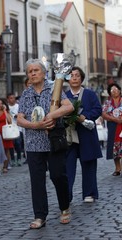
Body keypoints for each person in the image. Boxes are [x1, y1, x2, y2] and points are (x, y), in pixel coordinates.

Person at [17, 58, 73, 229]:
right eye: (30, 71)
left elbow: (69, 107)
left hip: (53, 141)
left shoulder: (54, 88)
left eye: (36, 70)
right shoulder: (26, 93)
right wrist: (36, 125)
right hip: (33, 143)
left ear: (44, 73)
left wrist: (52, 116)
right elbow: (19, 118)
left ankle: (64, 207)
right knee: (37, 180)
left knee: (58, 175)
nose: (33, 73)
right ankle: (40, 216)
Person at [65, 66, 102, 203]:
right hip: (69, 136)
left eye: (77, 75)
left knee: (89, 164)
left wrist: (84, 117)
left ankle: (89, 193)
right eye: (71, 75)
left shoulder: (90, 94)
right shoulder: (64, 96)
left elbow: (98, 109)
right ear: (67, 79)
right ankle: (66, 196)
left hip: (86, 134)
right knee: (67, 167)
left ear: (81, 78)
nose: (74, 77)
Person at [102, 83, 122, 176]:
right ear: (110, 93)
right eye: (112, 90)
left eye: (116, 89)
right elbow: (103, 114)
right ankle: (117, 168)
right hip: (113, 126)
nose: (114, 91)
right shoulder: (107, 103)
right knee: (114, 147)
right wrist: (114, 119)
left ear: (120, 90)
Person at [0, 98, 13, 173]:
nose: (0, 105)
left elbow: (9, 121)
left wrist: (5, 110)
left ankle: (5, 166)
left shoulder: (6, 111)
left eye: (1, 103)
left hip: (6, 132)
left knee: (6, 150)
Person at [7, 93, 22, 167]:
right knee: (11, 145)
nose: (12, 99)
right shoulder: (7, 107)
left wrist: (17, 115)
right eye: (10, 98)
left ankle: (19, 158)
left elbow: (21, 114)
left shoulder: (18, 106)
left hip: (18, 127)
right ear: (8, 99)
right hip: (10, 128)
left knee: (18, 144)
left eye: (13, 98)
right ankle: (12, 159)